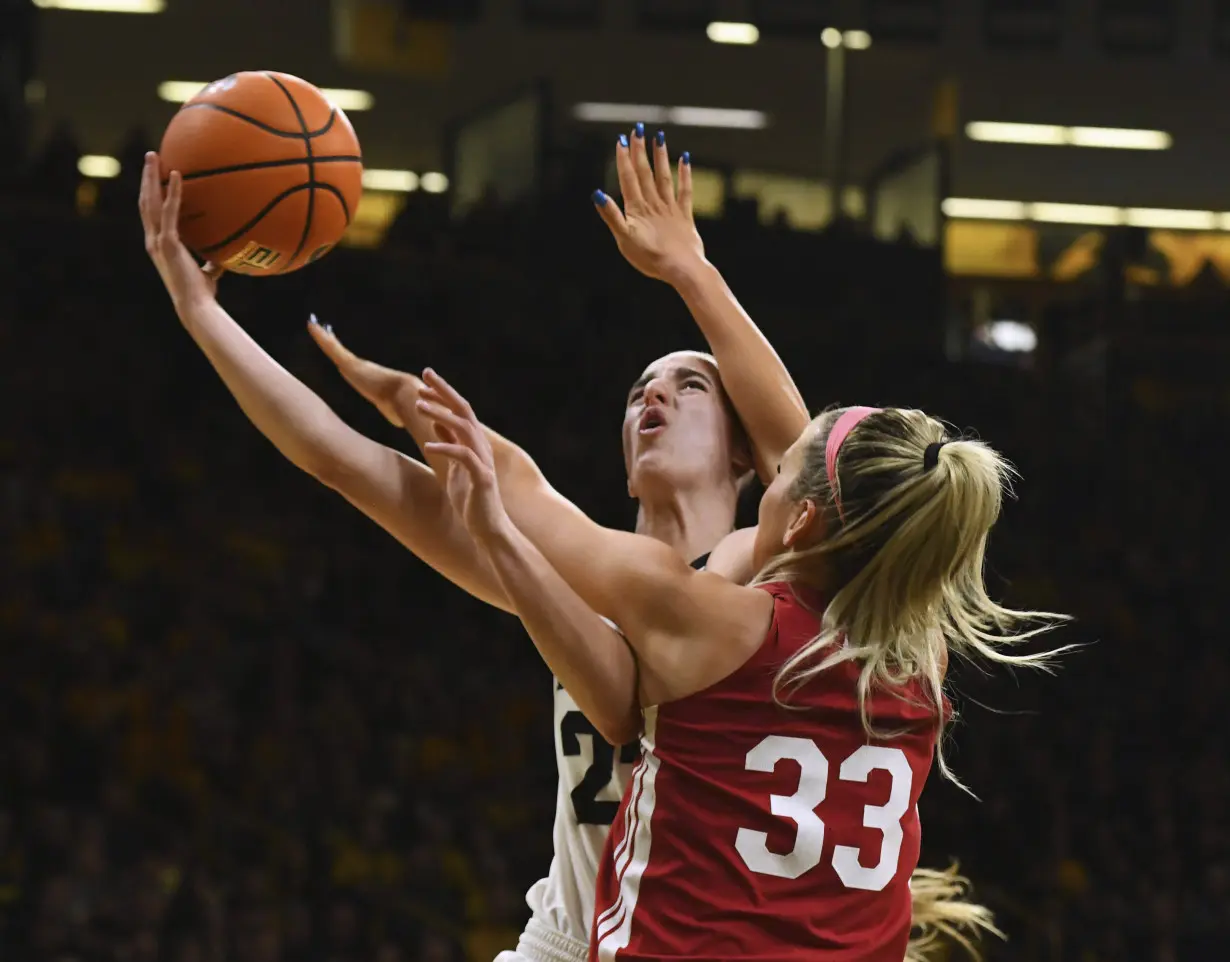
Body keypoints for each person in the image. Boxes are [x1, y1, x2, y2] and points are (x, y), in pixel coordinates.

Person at [139, 127, 999, 962]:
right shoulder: (589, 568)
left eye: (689, 384)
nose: (652, 399)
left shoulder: (755, 583)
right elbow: (340, 460)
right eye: (636, 391)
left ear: (752, 458)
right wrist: (200, 313)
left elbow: (817, 456)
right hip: (574, 932)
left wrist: (691, 273)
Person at [412, 366, 1067, 961]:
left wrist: (421, 423)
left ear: (802, 517)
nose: (771, 473)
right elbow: (853, 503)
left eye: (780, 473)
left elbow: (531, 508)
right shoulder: (922, 660)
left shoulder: (720, 622)